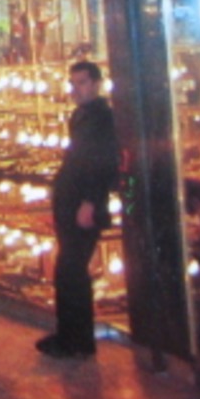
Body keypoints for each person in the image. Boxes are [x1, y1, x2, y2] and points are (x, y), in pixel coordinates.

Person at [37, 60, 121, 360]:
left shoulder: (103, 118)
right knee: (69, 271)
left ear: (96, 83)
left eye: (82, 83)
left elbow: (104, 163)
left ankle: (75, 339)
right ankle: (73, 336)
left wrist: (90, 201)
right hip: (72, 201)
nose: (76, 89)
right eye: (73, 84)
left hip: (84, 204)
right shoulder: (82, 116)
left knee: (71, 270)